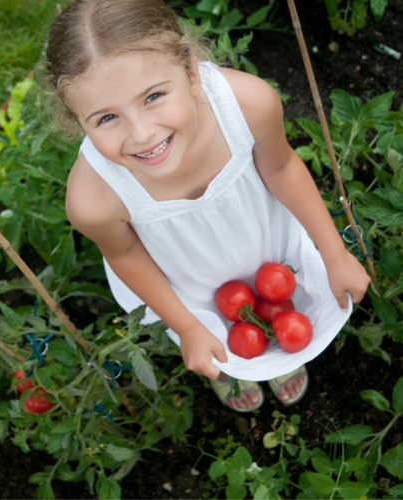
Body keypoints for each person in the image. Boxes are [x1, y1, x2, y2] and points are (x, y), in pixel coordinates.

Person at [45, 0, 370, 411]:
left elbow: (284, 167)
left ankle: (276, 356)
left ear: (193, 74)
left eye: (154, 96)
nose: (143, 134)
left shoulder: (248, 105)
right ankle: (232, 362)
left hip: (265, 238)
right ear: (77, 123)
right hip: (188, 276)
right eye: (107, 119)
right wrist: (187, 325)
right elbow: (125, 252)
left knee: (283, 305)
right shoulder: (93, 199)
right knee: (217, 341)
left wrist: (334, 253)